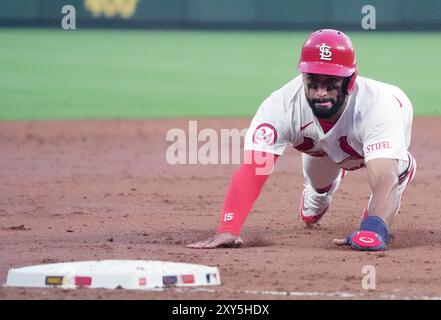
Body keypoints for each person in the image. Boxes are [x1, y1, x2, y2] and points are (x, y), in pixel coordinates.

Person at [186, 29, 416, 251]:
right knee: (316, 191)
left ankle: (403, 167)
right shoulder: (281, 107)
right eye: (313, 80)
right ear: (303, 75)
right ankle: (318, 193)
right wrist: (229, 227)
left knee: (390, 178)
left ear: (350, 80)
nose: (321, 92)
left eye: (331, 81)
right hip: (319, 148)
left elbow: (384, 177)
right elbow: (255, 168)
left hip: (374, 142)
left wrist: (372, 229)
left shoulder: (378, 108)